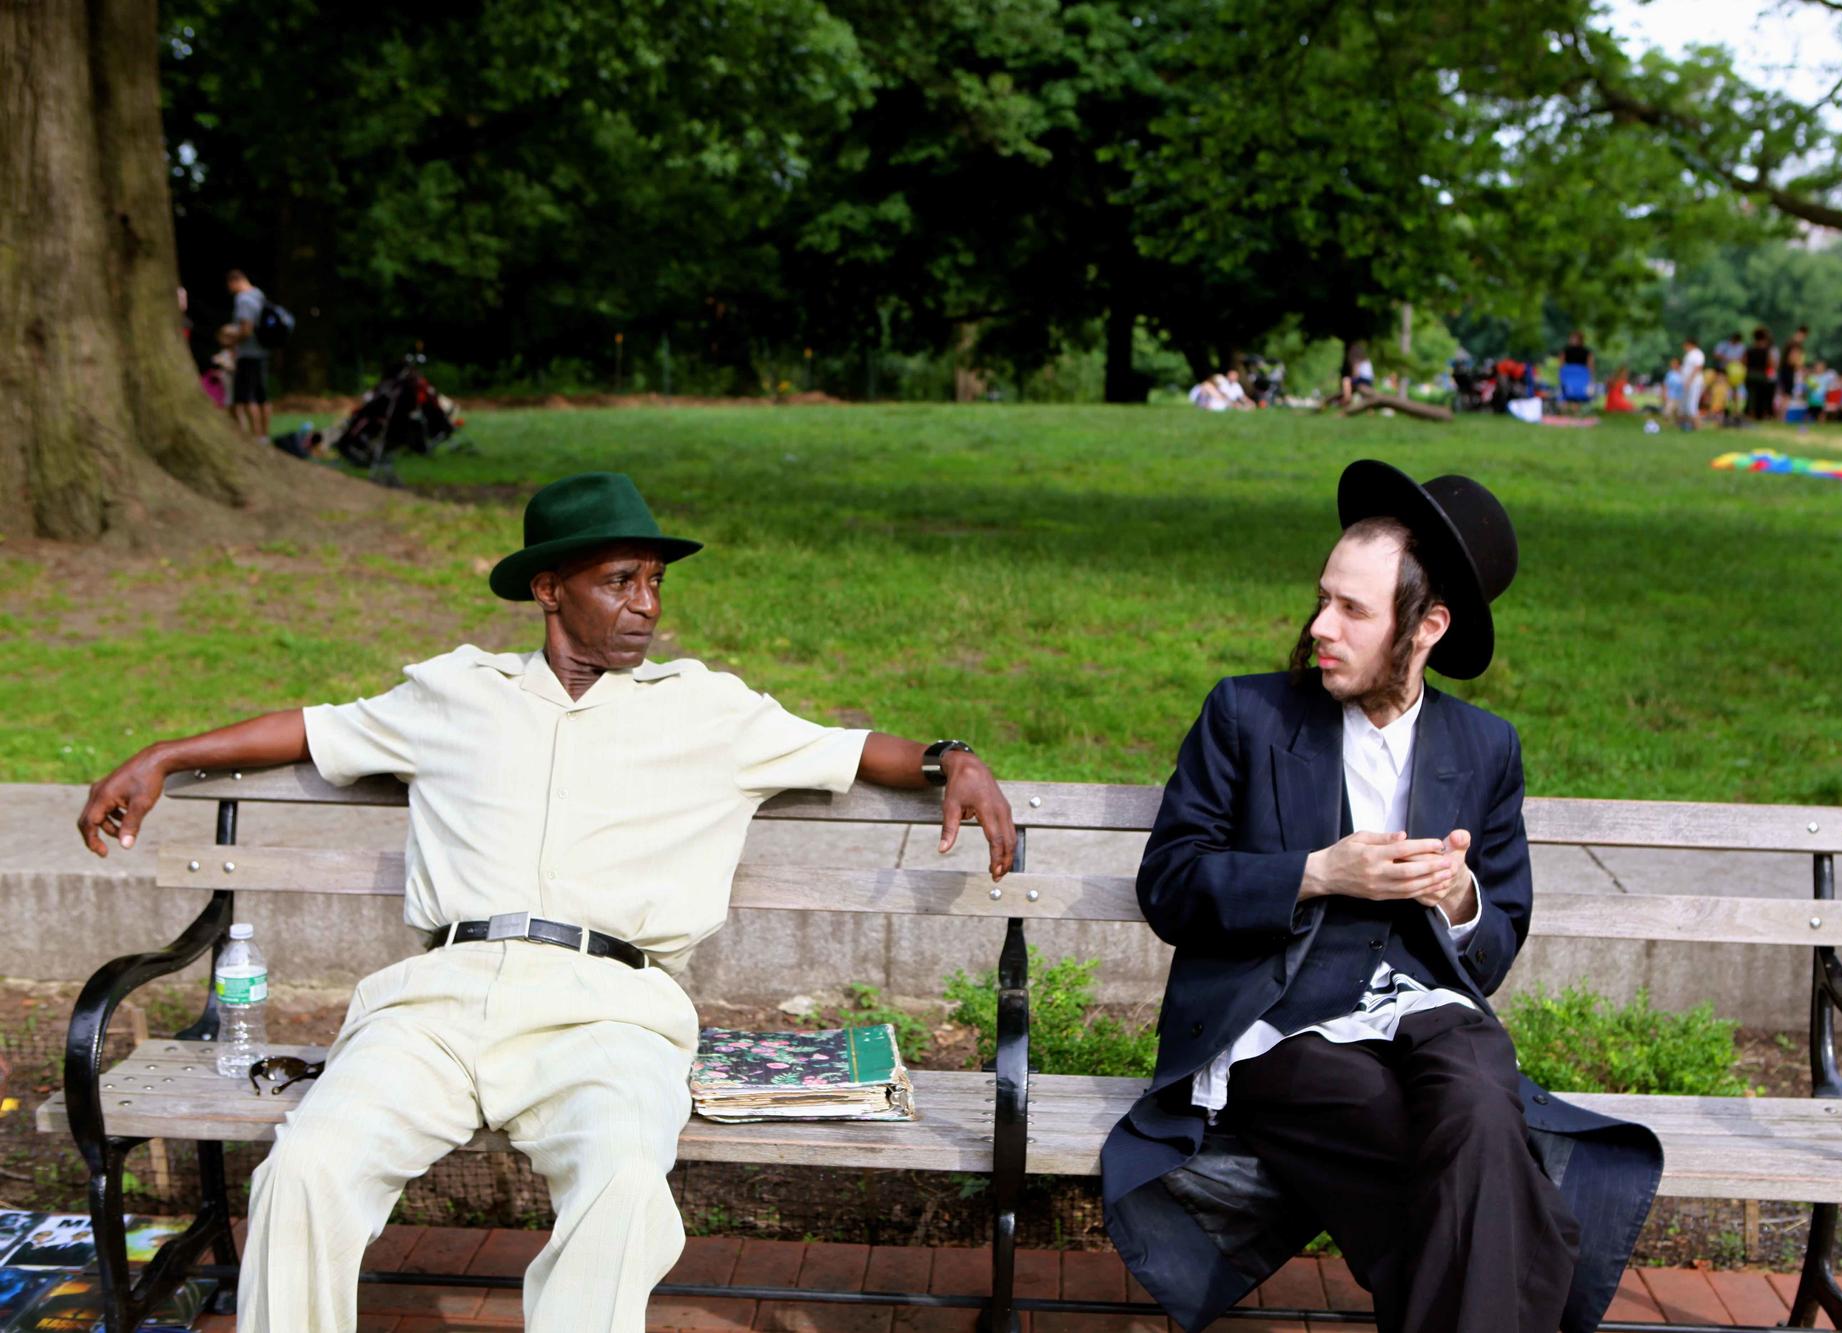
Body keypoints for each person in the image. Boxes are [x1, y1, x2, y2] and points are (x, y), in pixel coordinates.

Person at [73, 472, 1020, 1333]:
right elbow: (309, 730)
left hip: (610, 1012)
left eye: (655, 581)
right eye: (620, 580)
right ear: (549, 588)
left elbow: (859, 751)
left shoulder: (709, 711)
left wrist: (955, 758)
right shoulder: (455, 692)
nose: (647, 604)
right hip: (435, 1005)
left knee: (624, 1188)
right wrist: (164, 756)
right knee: (305, 1170)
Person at [1101, 460, 1660, 1333]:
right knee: (1459, 1160)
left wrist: (1461, 896)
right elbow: (1169, 885)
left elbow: (1496, 941)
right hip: (1278, 1019)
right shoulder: (1248, 716)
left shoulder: (1484, 747)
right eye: (1322, 599)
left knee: (1478, 1102)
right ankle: (1540, 1251)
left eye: (1353, 610)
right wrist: (1319, 871)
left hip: (1429, 1006)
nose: (1321, 627)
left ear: (1427, 626)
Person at [225, 269, 272, 445]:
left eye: (230, 286)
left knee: (247, 398)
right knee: (262, 396)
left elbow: (246, 330)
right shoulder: (259, 295)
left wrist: (231, 341)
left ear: (234, 282)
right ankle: (264, 436)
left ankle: (255, 437)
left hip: (248, 354)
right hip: (262, 352)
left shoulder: (243, 299)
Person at [1743, 328, 1776, 421]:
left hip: (1750, 374)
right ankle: (1762, 415)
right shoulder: (1766, 350)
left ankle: (1751, 414)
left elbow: (1743, 361)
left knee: (1751, 396)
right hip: (1762, 375)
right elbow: (1771, 364)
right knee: (1762, 396)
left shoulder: (1749, 349)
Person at [1557, 332, 1594, 415]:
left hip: (1581, 375)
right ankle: (1564, 411)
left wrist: (1590, 376)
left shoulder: (1586, 352)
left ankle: (1574, 411)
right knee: (1565, 390)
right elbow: (1561, 363)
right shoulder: (1566, 350)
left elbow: (1590, 365)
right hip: (1569, 374)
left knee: (1577, 392)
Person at [1776, 325, 1808, 417]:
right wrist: (1801, 368)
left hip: (1783, 370)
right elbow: (1792, 359)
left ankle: (1780, 416)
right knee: (1787, 395)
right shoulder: (1795, 344)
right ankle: (1782, 416)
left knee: (1783, 395)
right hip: (1788, 371)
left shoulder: (1789, 343)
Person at [1678, 337, 1705, 431]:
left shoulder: (1697, 354)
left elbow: (1698, 367)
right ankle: (1687, 425)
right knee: (1685, 405)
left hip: (1694, 383)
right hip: (1688, 382)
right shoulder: (1689, 354)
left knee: (1692, 405)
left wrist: (1689, 380)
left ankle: (1698, 426)